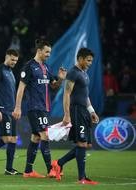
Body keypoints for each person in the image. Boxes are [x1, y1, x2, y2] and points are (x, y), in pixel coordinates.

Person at [12, 39, 66, 178]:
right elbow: (21, 88)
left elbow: (54, 86)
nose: (49, 54)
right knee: (45, 136)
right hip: (35, 107)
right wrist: (17, 107)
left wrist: (60, 79)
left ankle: (28, 171)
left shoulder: (46, 68)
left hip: (45, 108)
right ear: (39, 50)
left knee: (36, 138)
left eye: (50, 52)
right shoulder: (29, 67)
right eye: (47, 52)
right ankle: (51, 169)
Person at [52, 48, 99, 185]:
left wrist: (91, 111)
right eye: (88, 60)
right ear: (80, 58)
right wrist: (67, 115)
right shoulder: (73, 73)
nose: (90, 63)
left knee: (86, 144)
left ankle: (59, 163)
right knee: (81, 143)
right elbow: (67, 93)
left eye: (91, 60)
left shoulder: (84, 74)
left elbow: (86, 95)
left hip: (84, 111)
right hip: (76, 111)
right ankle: (82, 178)